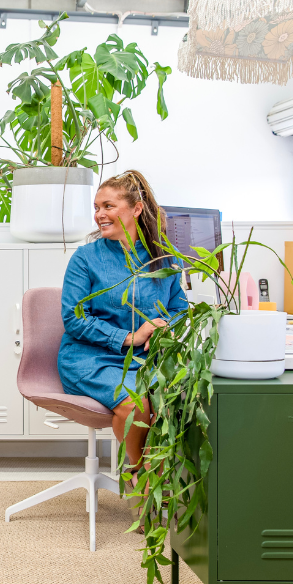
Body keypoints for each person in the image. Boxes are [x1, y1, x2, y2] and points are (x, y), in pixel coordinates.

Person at [58, 170, 188, 467]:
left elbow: (179, 307)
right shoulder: (86, 258)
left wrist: (164, 324)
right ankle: (139, 476)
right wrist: (129, 337)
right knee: (136, 403)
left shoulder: (165, 258)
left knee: (177, 399)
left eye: (108, 206)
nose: (99, 215)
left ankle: (162, 474)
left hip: (146, 359)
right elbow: (74, 319)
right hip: (91, 358)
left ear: (136, 209)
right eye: (97, 208)